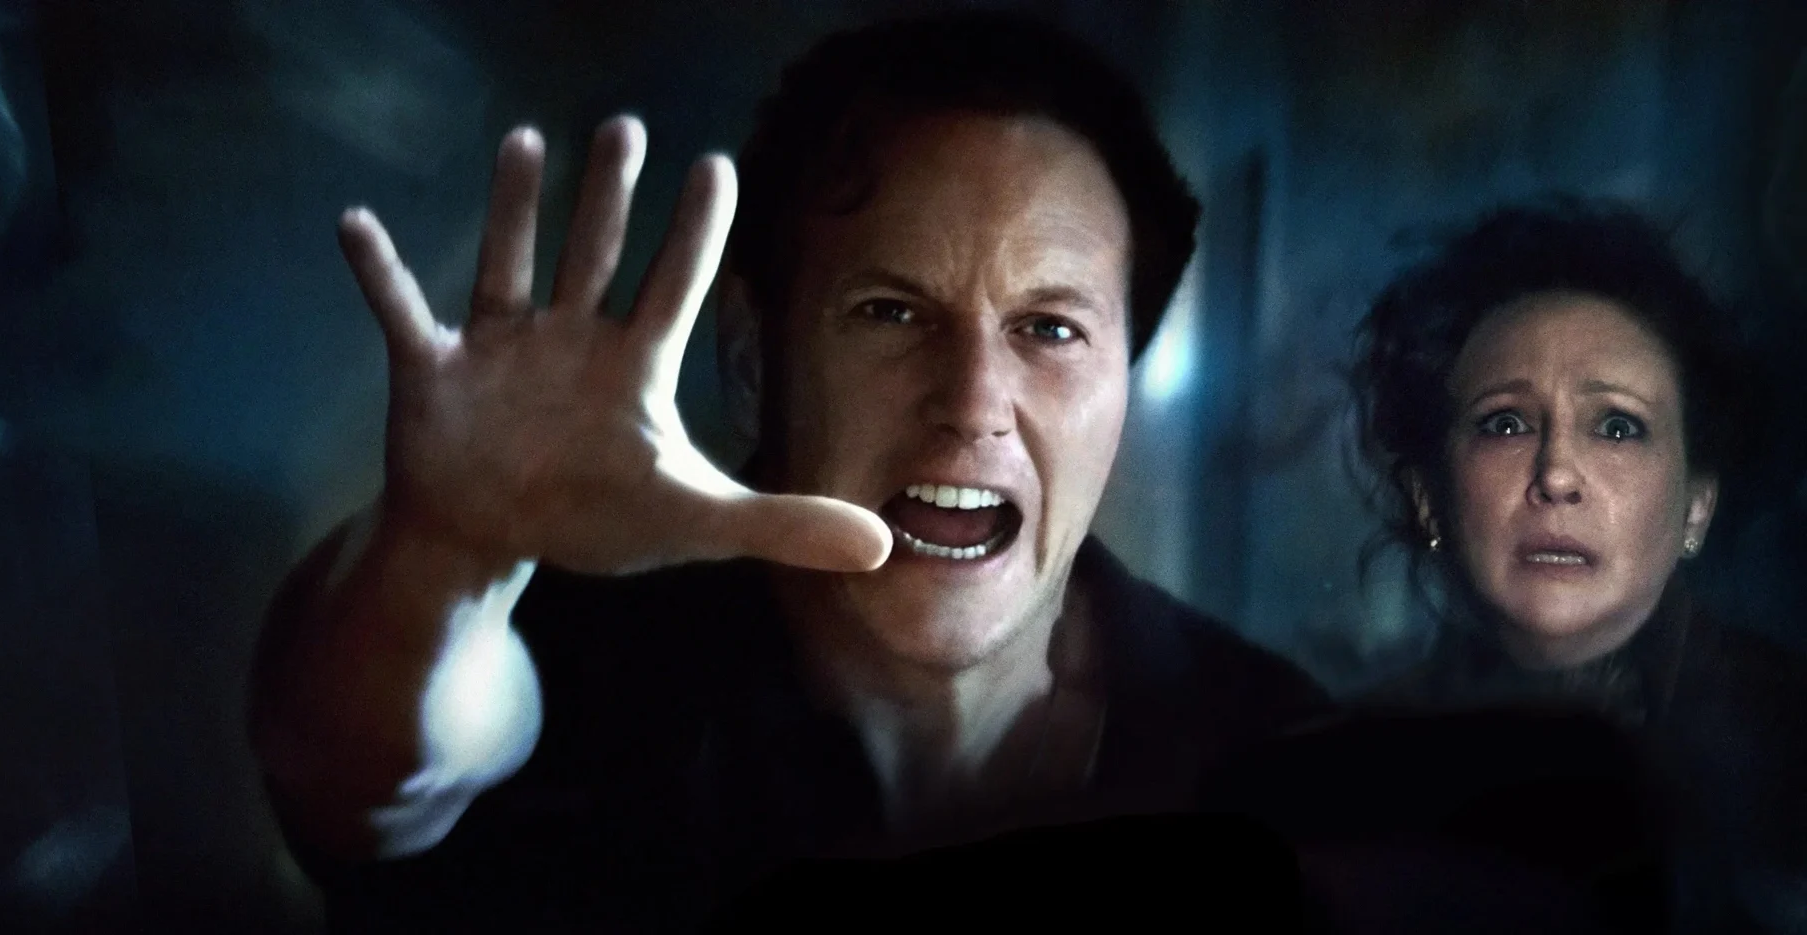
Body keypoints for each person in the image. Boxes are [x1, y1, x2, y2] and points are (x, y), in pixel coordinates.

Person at [247, 11, 1331, 932]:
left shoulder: (1276, 756)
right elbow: (366, 773)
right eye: (889, 312)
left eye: (1049, 328)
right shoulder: (596, 676)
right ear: (753, 358)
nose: (971, 402)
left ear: (1125, 385)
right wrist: (442, 552)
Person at [1345, 199, 1806, 933]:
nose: (1556, 473)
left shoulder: (1790, 745)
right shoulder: (1347, 773)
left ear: (1696, 507)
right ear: (1429, 501)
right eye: (1505, 423)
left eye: (1617, 427)